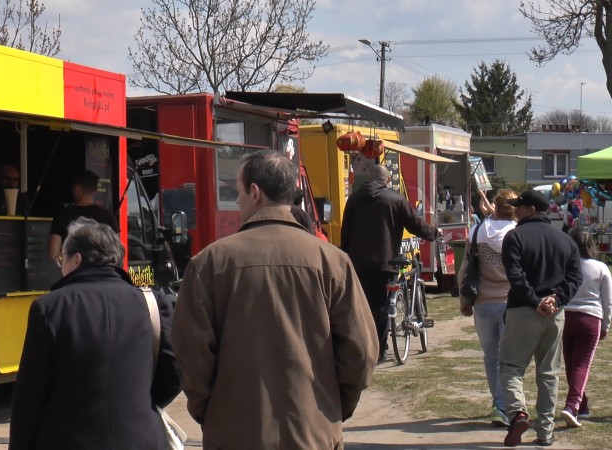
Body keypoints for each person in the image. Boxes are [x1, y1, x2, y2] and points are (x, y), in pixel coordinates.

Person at [172, 150, 378, 449]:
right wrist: (332, 407)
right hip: (314, 432)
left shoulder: (209, 263)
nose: (238, 200)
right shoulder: (334, 262)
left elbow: (190, 351)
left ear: (255, 193)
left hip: (233, 434)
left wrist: (211, 410)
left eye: (238, 192)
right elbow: (362, 352)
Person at [9, 217, 181, 449]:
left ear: (76, 259)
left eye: (62, 258)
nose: (61, 266)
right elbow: (174, 374)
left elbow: (30, 397)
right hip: (140, 439)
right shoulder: (152, 303)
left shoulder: (50, 308)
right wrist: (139, 401)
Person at [500, 189, 583, 447]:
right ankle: (545, 432)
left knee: (511, 367)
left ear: (532, 210)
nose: (515, 210)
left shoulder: (514, 237)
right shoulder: (565, 240)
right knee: (549, 373)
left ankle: (518, 413)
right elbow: (575, 277)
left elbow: (515, 275)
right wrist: (556, 299)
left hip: (523, 310)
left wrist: (535, 301)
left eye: (519, 206)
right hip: (555, 314)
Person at [340, 163, 440, 362]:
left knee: (363, 305)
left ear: (369, 178)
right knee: (383, 305)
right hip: (387, 263)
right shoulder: (395, 199)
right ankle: (380, 349)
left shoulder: (353, 200)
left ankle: (363, 346)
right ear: (388, 180)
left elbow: (346, 232)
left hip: (359, 263)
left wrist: (346, 256)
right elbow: (415, 224)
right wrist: (434, 233)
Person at [457, 189, 517, 427]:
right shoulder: (516, 232)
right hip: (510, 301)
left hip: (482, 301)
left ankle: (498, 403)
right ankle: (505, 404)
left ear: (495, 207)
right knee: (508, 357)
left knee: (490, 357)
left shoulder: (477, 230)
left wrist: (464, 299)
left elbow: (465, 268)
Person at [560, 227, 611, 427]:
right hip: (590, 319)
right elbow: (608, 302)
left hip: (565, 317)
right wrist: (606, 324)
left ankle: (582, 405)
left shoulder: (564, 266)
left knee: (571, 364)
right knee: (582, 364)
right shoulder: (600, 267)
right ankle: (572, 405)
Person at [49, 169, 119, 260]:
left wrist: (67, 262)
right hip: (101, 272)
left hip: (74, 273)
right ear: (95, 190)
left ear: (77, 188)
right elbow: (118, 251)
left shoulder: (63, 215)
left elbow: (53, 253)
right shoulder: (108, 216)